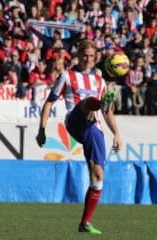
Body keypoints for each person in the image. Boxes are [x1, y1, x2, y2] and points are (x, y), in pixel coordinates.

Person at [36, 39, 122, 234]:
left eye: (92, 56)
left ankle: (85, 223)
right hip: (74, 119)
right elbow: (49, 103)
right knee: (88, 103)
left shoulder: (99, 81)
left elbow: (108, 113)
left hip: (94, 128)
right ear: (78, 55)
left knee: (98, 176)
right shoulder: (67, 76)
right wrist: (42, 130)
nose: (88, 60)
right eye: (85, 56)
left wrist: (116, 133)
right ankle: (97, 102)